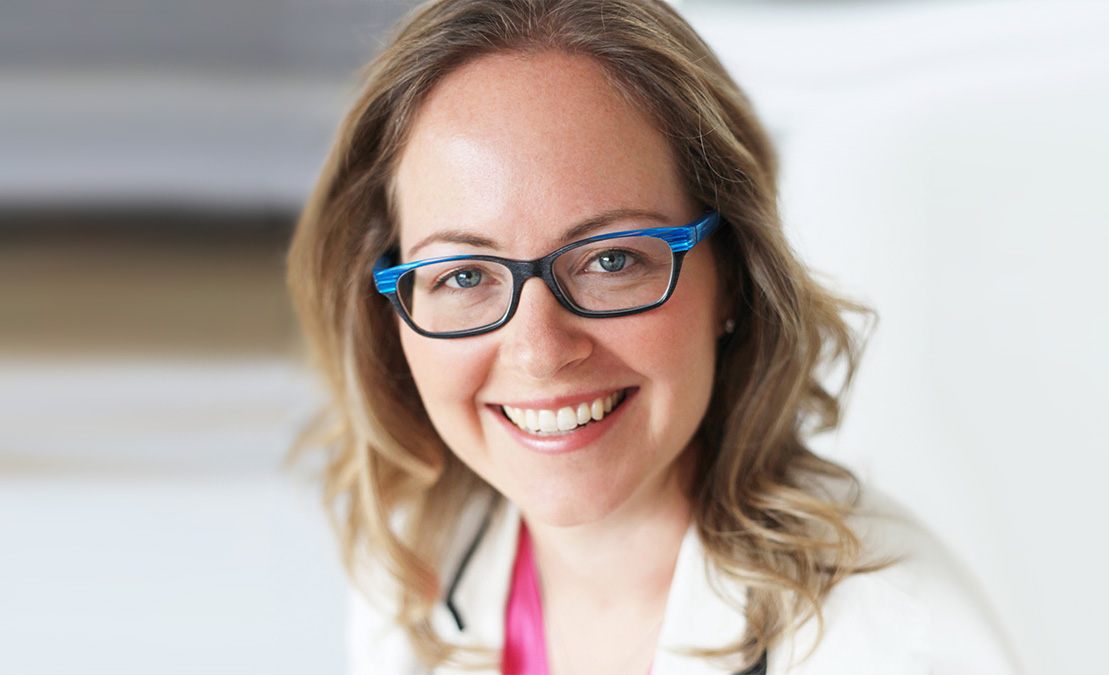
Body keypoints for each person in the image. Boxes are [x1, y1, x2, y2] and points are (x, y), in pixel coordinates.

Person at [288, 0, 1021, 673]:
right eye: (463, 274)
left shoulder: (896, 640)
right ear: (389, 301)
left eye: (612, 259)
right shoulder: (410, 564)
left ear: (732, 273)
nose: (539, 350)